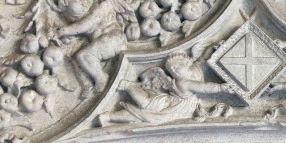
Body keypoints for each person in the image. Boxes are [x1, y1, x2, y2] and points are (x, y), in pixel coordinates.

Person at [98, 52, 231, 125]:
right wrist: (220, 88)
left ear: (187, 64)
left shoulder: (194, 72)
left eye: (176, 67)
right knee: (147, 106)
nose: (173, 71)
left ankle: (109, 116)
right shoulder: (183, 82)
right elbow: (204, 87)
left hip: (174, 106)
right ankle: (129, 86)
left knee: (142, 115)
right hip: (173, 104)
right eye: (171, 71)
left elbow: (202, 61)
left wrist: (212, 51)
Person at [51, 0, 134, 92]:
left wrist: (63, 31)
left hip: (113, 39)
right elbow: (79, 28)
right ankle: (87, 85)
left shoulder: (101, 7)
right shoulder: (79, 20)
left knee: (84, 55)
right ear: (65, 5)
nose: (84, 1)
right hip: (105, 43)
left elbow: (86, 24)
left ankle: (101, 78)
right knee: (77, 57)